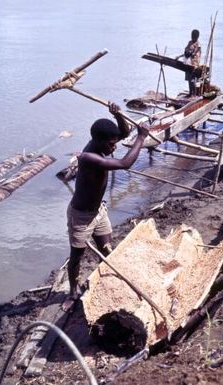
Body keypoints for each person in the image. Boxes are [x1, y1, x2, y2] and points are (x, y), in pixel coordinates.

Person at [62, 102, 149, 311]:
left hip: (98, 212)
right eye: (111, 144)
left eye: (114, 143)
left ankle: (107, 281)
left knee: (106, 248)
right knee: (76, 256)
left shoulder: (102, 146)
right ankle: (73, 292)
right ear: (98, 140)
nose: (114, 147)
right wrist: (142, 137)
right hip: (81, 216)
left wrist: (118, 115)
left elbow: (122, 133)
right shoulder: (88, 157)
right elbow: (124, 164)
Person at [176, 29, 202, 96]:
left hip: (194, 64)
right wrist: (179, 56)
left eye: (194, 37)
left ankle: (194, 94)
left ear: (197, 37)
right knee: (188, 78)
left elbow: (194, 53)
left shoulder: (198, 45)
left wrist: (191, 53)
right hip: (188, 63)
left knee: (192, 79)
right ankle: (190, 93)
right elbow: (186, 52)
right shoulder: (190, 42)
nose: (192, 38)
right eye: (192, 36)